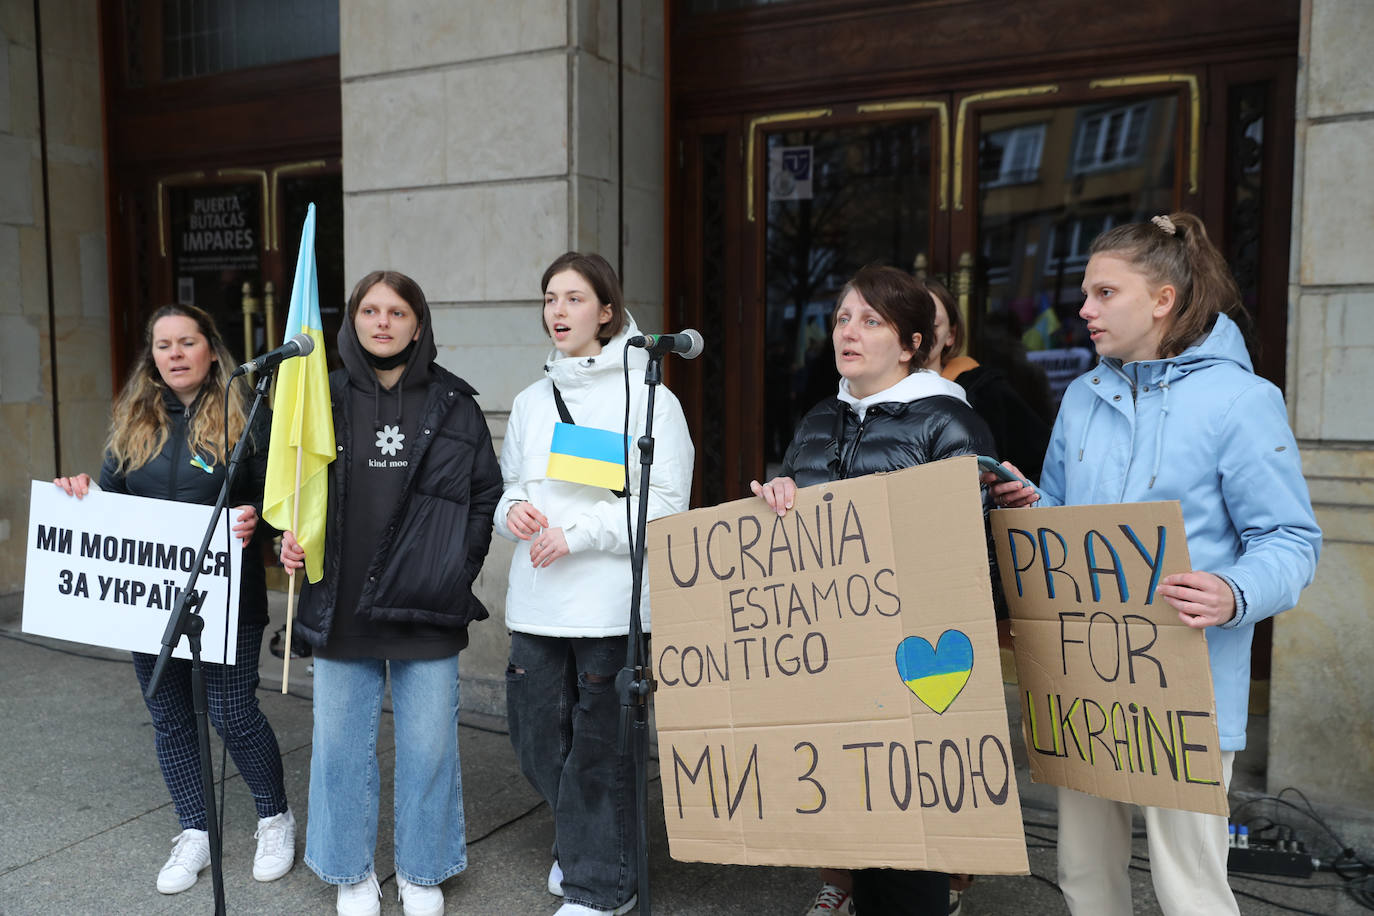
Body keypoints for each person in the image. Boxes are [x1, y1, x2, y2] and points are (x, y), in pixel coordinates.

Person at [987, 213, 1322, 916]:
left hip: (1187, 687)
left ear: (1163, 299)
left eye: (1105, 293)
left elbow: (1291, 539)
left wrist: (1233, 591)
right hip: (1084, 677)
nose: (1084, 309)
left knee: (1189, 888)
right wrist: (1031, 506)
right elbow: (1072, 523)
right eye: (1087, 293)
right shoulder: (1081, 397)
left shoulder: (1242, 401)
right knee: (1083, 873)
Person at [751, 265, 995, 916]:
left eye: (871, 320)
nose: (848, 332)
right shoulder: (819, 420)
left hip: (913, 667)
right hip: (833, 660)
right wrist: (778, 500)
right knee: (854, 828)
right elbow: (793, 525)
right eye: (841, 319)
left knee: (910, 856)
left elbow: (968, 557)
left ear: (912, 344)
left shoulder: (950, 425)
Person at [279, 270, 503, 916]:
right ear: (351, 320)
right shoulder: (316, 397)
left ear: (418, 322)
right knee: (341, 748)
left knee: (430, 747)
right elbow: (295, 492)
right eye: (370, 310)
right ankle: (351, 870)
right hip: (340, 603)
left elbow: (484, 493)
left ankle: (422, 870)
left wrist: (457, 565)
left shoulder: (455, 403)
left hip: (428, 605)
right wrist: (291, 542)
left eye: (397, 311)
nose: (383, 322)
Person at [53, 304, 295, 895]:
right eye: (164, 345)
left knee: (233, 713)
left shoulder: (247, 413)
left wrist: (256, 520)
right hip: (151, 597)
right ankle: (194, 831)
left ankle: (274, 816)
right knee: (169, 716)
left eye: (188, 342)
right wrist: (78, 491)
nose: (176, 354)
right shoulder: (135, 419)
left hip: (227, 592)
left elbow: (278, 500)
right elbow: (109, 501)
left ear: (211, 349)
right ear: (152, 356)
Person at [496, 252, 694, 916]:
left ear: (607, 311)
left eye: (574, 298)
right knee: (534, 739)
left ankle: (602, 887)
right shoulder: (529, 401)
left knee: (602, 750)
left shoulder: (652, 398)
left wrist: (579, 534)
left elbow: (665, 502)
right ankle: (585, 843)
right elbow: (510, 489)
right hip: (537, 602)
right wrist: (511, 512)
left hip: (611, 607)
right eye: (550, 297)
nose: (558, 311)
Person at [922, 279, 1052, 481]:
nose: (919, 333)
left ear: (951, 334)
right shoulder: (864, 396)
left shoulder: (986, 393)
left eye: (933, 324)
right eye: (910, 322)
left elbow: (1039, 468)